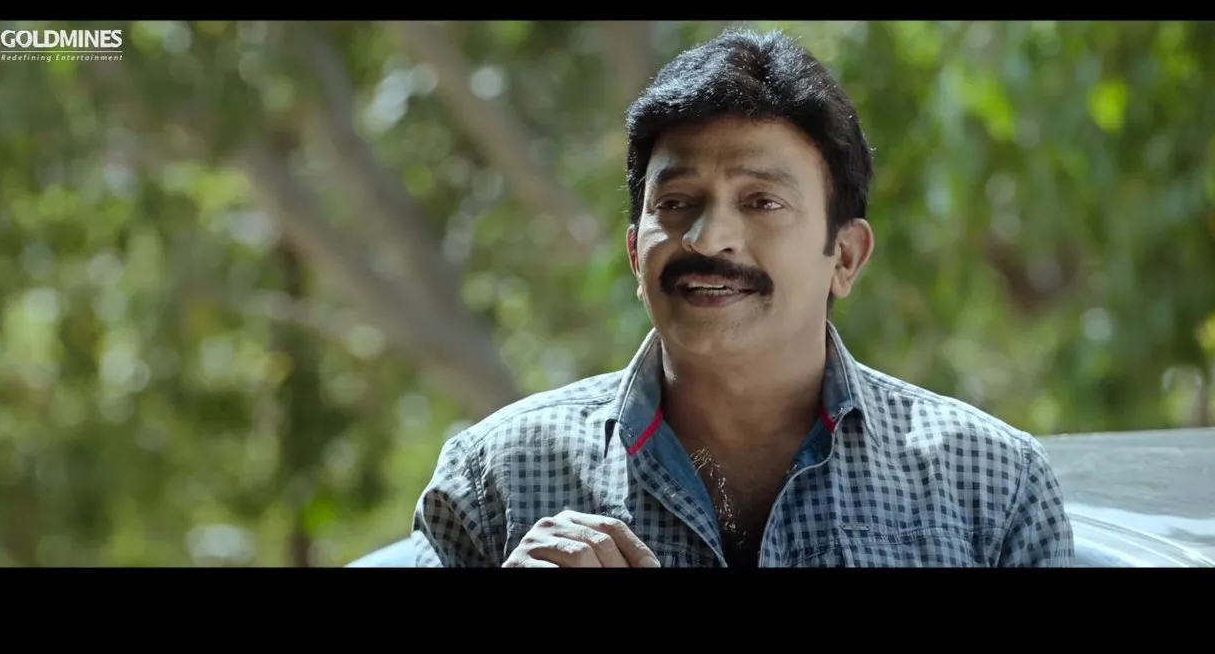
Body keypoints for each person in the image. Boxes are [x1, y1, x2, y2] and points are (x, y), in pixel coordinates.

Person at [411, 28, 1075, 567]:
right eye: (677, 202)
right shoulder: (495, 480)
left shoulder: (989, 486)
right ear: (636, 253)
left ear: (845, 256)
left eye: (761, 201)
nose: (708, 237)